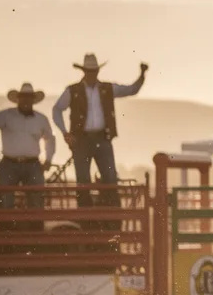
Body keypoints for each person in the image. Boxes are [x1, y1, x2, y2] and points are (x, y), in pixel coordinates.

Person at [50, 54, 145, 209]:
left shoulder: (103, 89)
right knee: (84, 180)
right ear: (84, 71)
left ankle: (111, 215)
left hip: (100, 138)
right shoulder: (75, 90)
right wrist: (65, 132)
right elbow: (56, 110)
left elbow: (131, 90)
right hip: (83, 140)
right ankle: (90, 217)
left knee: (109, 178)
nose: (92, 74)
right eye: (89, 71)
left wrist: (142, 77)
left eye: (93, 71)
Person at [0, 83, 55, 214]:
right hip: (9, 163)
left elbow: (50, 139)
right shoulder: (7, 115)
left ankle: (35, 231)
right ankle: (6, 231)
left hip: (33, 164)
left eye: (29, 97)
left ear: (33, 99)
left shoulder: (41, 119)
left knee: (36, 202)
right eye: (23, 97)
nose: (26, 100)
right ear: (18, 98)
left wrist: (48, 159)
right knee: (5, 201)